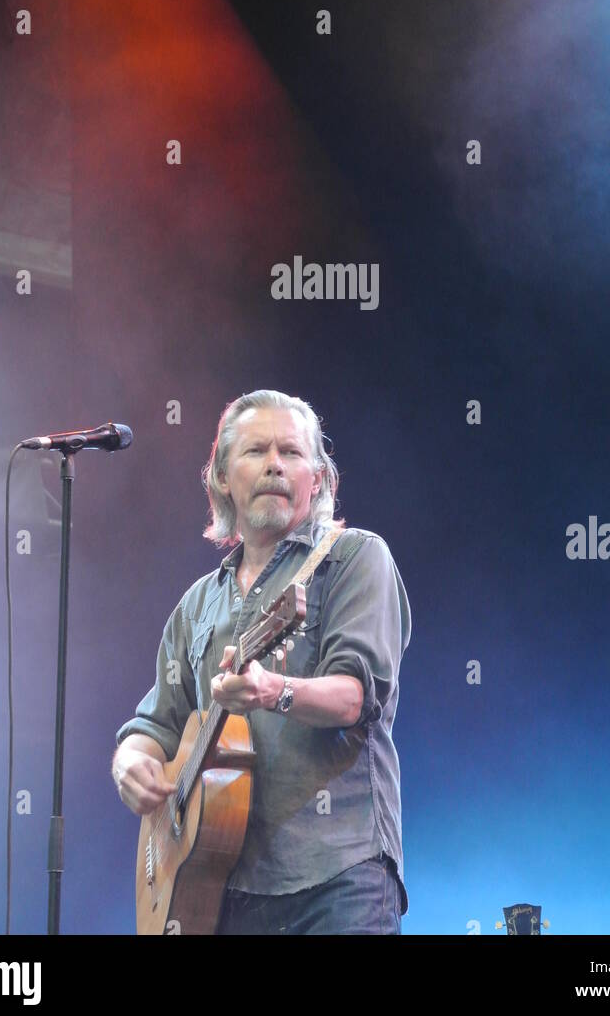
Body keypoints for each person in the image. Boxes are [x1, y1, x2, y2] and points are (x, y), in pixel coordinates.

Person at [112, 388, 411, 934]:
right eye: (256, 451)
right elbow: (153, 725)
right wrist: (130, 763)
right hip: (219, 885)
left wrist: (272, 690)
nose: (275, 464)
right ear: (222, 476)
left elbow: (354, 696)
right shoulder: (196, 605)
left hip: (337, 875)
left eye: (292, 453)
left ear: (317, 479)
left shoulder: (354, 559)